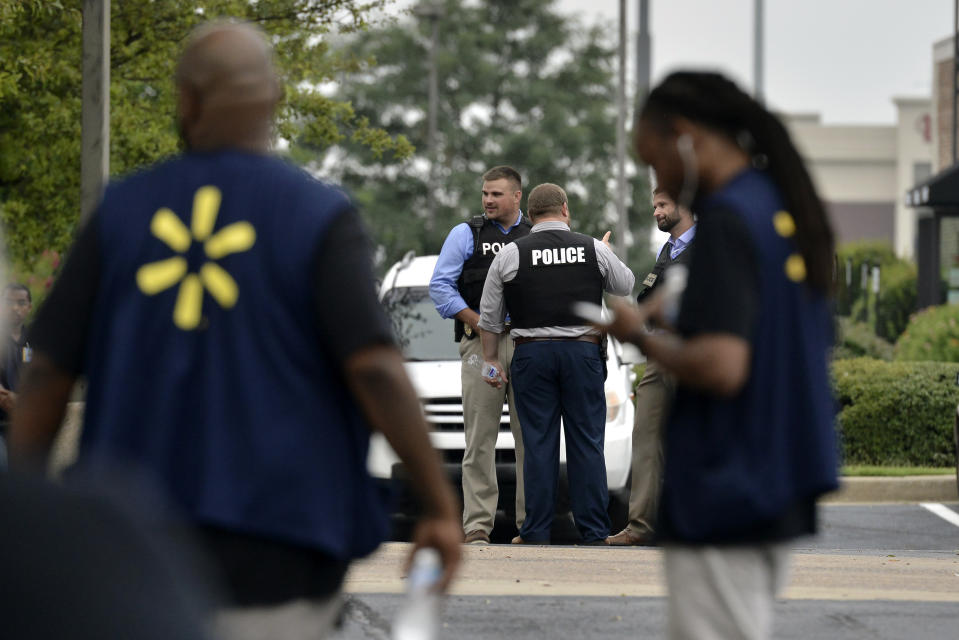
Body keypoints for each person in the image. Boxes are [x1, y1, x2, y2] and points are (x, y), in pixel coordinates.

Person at [8, 21, 461, 638]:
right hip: (280, 550)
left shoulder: (122, 212)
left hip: (131, 556)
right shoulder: (318, 216)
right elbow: (374, 368)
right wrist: (438, 503)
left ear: (186, 101)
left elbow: (47, 373)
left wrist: (24, 513)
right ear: (273, 100)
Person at [601, 71, 839, 639]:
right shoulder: (774, 205)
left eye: (654, 158)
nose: (658, 177)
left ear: (684, 135)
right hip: (773, 473)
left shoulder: (726, 223)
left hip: (727, 475)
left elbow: (724, 364)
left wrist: (638, 336)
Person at [478, 183, 634, 545]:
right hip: (582, 354)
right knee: (587, 443)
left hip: (532, 354)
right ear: (565, 209)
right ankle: (594, 532)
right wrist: (606, 254)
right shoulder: (592, 247)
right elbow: (625, 285)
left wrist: (490, 360)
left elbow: (489, 316)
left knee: (538, 445)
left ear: (530, 216)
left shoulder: (511, 253)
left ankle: (534, 532)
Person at [429, 166, 531, 545]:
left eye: (496, 194)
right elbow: (440, 287)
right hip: (478, 346)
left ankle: (529, 525)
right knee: (480, 440)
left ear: (517, 196)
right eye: (485, 194)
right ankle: (477, 527)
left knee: (530, 438)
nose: (488, 200)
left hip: (526, 346)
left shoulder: (534, 233)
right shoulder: (466, 233)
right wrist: (480, 320)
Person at [607, 188, 695, 546]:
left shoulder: (711, 244)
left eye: (663, 205)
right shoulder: (669, 249)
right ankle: (641, 526)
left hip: (695, 353)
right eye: (655, 205)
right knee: (645, 436)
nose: (657, 212)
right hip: (660, 354)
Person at [0, 283, 33, 420]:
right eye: (8, 302)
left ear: (29, 307)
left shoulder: (33, 340)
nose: (15, 308)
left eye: (21, 303)